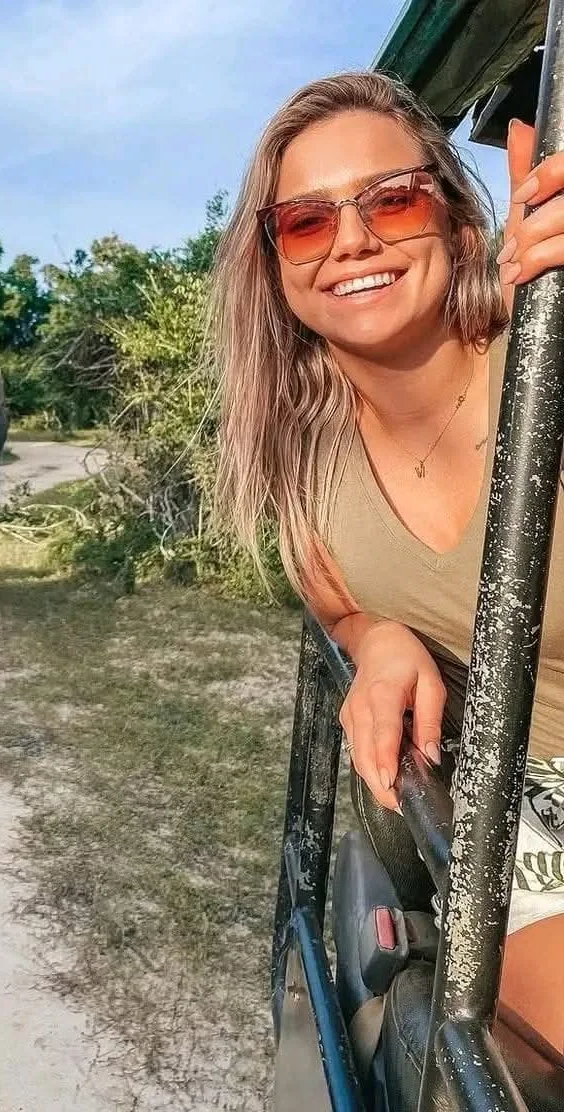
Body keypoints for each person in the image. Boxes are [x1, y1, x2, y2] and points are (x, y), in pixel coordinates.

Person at [213, 72, 564, 1057]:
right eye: (308, 222)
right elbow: (337, 602)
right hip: (521, 807)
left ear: (458, 222)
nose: (353, 241)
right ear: (275, 262)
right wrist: (377, 636)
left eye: (393, 200)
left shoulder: (544, 360)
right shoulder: (304, 465)